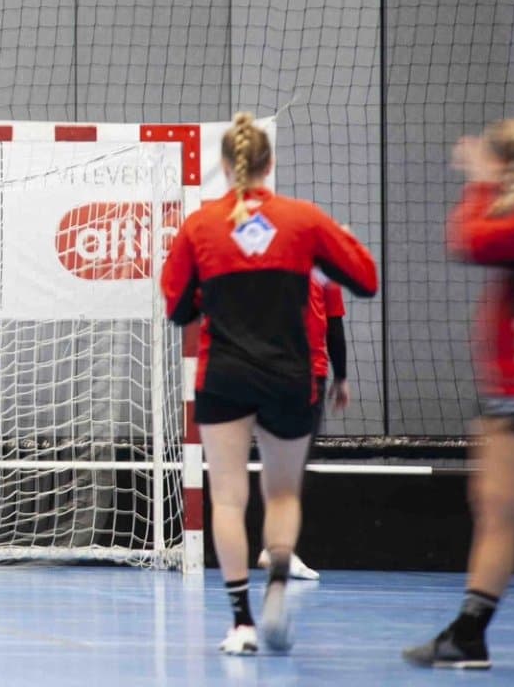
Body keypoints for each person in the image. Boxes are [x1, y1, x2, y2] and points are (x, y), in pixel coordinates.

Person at [161, 113, 377, 657]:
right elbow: (366, 280)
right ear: (268, 164)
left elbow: (177, 307)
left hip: (224, 375)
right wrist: (342, 243)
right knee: (281, 492)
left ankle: (241, 623)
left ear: (226, 166)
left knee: (228, 500)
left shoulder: (201, 225)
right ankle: (279, 584)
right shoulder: (302, 220)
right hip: (290, 376)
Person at [405, 120, 514, 670]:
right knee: (498, 508)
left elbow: (470, 238)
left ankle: (468, 634)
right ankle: (468, 634)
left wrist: (483, 181)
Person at [257, 274, 348, 583]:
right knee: (293, 466)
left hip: (269, 373)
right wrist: (342, 378)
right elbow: (335, 325)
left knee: (277, 462)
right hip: (306, 375)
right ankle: (279, 549)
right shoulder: (324, 267)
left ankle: (274, 546)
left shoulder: (270, 256)